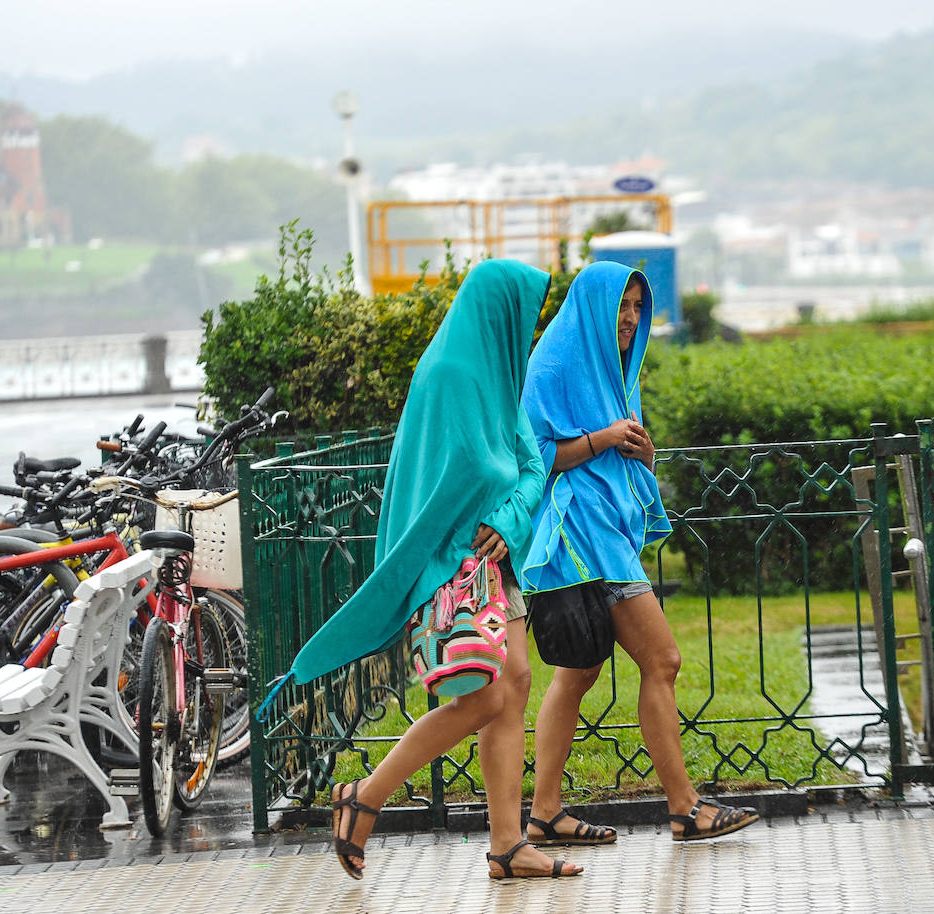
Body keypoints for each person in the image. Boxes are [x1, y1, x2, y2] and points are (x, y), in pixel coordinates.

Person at [256, 259, 581, 880]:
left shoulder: (496, 374)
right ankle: (366, 796)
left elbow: (531, 467)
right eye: (525, 312)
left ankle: (507, 846)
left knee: (511, 692)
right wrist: (488, 515)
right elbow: (459, 474)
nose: (529, 327)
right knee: (487, 695)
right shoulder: (449, 375)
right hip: (451, 563)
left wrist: (509, 522)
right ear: (498, 310)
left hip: (493, 560)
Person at [519, 261, 761, 845]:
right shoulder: (553, 363)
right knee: (662, 660)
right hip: (580, 538)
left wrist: (642, 453)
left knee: (579, 672)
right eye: (620, 306)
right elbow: (530, 456)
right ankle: (684, 808)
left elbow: (619, 457)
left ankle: (544, 813)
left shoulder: (615, 370)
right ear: (593, 308)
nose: (629, 319)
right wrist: (604, 440)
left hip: (608, 532)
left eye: (636, 308)